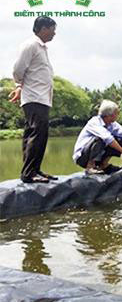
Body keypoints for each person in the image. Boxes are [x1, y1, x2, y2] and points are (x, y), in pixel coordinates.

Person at [10, 16, 58, 183]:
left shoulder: (42, 48)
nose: (54, 33)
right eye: (53, 29)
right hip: (34, 97)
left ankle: (34, 170)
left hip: (42, 98)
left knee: (37, 134)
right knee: (36, 134)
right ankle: (29, 173)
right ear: (44, 28)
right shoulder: (31, 45)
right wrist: (18, 85)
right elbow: (18, 69)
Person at [73, 100, 122, 174]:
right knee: (101, 139)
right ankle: (90, 166)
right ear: (110, 115)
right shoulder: (94, 122)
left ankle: (103, 165)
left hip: (96, 156)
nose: (118, 115)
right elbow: (108, 139)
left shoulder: (112, 124)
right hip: (82, 158)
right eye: (117, 113)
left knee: (120, 138)